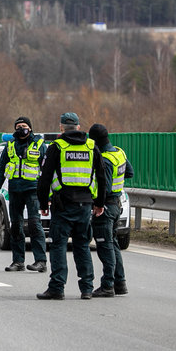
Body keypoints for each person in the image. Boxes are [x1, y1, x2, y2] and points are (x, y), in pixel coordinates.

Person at [36, 112, 108, 300]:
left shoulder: (57, 147)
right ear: (78, 127)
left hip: (62, 205)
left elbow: (44, 179)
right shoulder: (92, 147)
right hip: (85, 205)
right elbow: (102, 178)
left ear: (61, 128)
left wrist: (43, 203)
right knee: (82, 246)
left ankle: (57, 288)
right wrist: (99, 203)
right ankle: (86, 288)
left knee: (59, 245)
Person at [0, 116, 48, 273]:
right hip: (15, 190)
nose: (20, 128)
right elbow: (1, 168)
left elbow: (48, 171)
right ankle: (18, 261)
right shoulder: (9, 145)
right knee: (15, 226)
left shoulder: (39, 144)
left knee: (34, 225)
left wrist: (47, 195)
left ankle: (40, 261)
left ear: (30, 128)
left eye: (23, 126)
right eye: (18, 126)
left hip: (33, 190)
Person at [88, 123, 134, 297]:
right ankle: (120, 284)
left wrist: (96, 203)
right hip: (116, 206)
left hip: (105, 207)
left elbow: (104, 187)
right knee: (113, 245)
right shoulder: (118, 153)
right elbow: (129, 172)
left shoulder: (105, 159)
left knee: (105, 247)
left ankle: (107, 285)